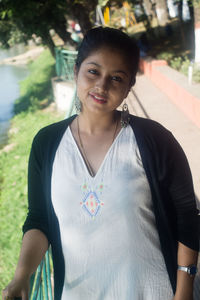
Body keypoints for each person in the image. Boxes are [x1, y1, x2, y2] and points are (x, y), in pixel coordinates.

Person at [2, 26, 199, 300]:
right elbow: (39, 220)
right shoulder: (46, 144)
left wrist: (184, 289)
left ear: (129, 87)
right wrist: (22, 276)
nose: (102, 86)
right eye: (93, 71)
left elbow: (187, 214)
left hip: (154, 292)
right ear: (76, 71)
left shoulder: (154, 140)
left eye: (117, 78)